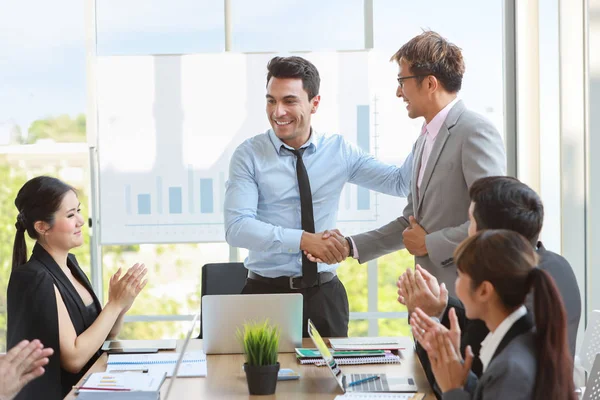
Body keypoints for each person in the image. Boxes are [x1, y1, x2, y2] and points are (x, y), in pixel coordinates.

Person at [224, 56, 414, 337]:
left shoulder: (338, 151)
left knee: (329, 381)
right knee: (259, 381)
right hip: (264, 294)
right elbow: (237, 228)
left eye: (289, 101)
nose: (278, 112)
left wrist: (427, 129)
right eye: (271, 101)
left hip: (325, 296)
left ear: (314, 102)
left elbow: (399, 183)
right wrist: (303, 239)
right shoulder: (249, 155)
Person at [312, 31, 506, 295]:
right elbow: (411, 222)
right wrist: (349, 246)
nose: (398, 91)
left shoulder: (475, 131)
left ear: (429, 84)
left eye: (402, 81)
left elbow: (494, 220)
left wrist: (430, 243)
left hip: (467, 299)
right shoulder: (424, 140)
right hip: (429, 300)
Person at [396, 176, 581, 397]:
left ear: (490, 239)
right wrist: (441, 308)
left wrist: (429, 322)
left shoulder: (510, 364)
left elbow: (463, 385)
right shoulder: (554, 269)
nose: (466, 234)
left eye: (470, 222)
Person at [7, 176, 148, 399]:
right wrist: (113, 305)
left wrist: (122, 306)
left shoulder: (70, 265)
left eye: (78, 211)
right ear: (42, 226)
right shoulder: (35, 277)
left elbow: (104, 335)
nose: (80, 221)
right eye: (71, 215)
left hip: (92, 386)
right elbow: (74, 359)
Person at [410, 230, 576, 400]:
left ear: (484, 290)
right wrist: (458, 374)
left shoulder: (510, 370)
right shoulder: (521, 337)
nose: (456, 286)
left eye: (460, 276)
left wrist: (452, 390)